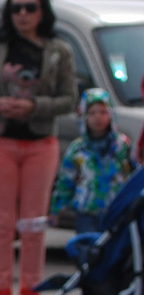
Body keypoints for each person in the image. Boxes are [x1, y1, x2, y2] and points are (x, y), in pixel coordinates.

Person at [0, 0, 77, 295]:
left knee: (34, 222)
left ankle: (31, 294)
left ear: (42, 12)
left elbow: (69, 99)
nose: (22, 14)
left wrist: (33, 106)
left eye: (30, 8)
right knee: (1, 223)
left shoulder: (58, 50)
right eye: (16, 8)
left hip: (40, 142)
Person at [52, 88, 134, 235]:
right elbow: (65, 180)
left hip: (117, 210)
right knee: (87, 246)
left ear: (111, 115)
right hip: (87, 212)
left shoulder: (122, 145)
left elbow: (133, 174)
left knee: (115, 247)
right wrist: (57, 209)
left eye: (103, 112)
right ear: (83, 116)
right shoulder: (78, 148)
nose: (98, 117)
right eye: (92, 113)